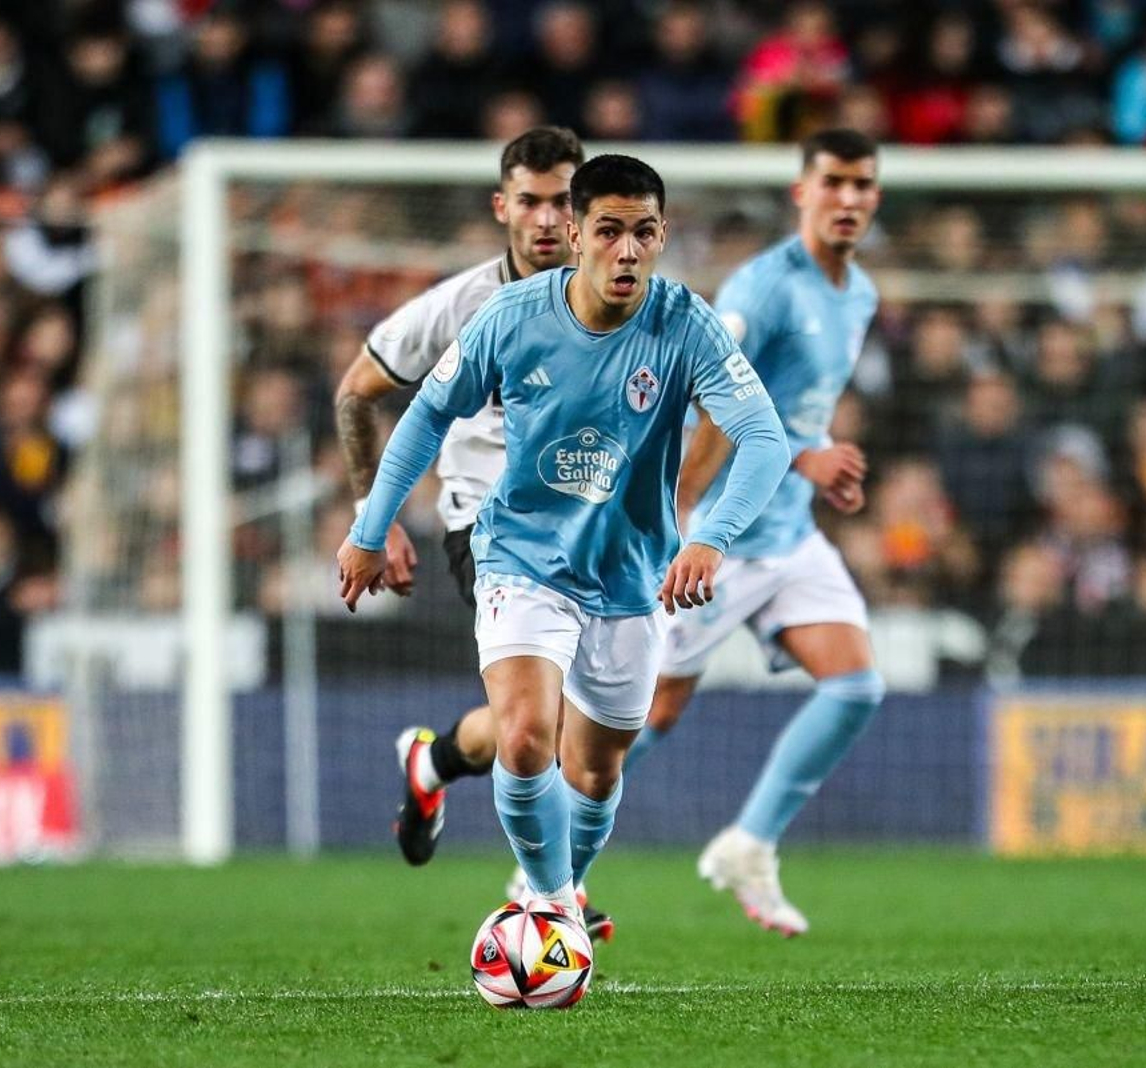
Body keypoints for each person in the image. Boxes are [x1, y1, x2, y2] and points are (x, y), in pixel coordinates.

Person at [337, 153, 790, 929]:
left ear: (661, 235)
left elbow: (766, 438)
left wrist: (711, 536)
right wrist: (368, 528)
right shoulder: (509, 317)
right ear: (577, 234)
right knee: (523, 738)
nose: (626, 251)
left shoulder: (685, 322)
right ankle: (549, 908)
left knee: (595, 768)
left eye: (643, 233)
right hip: (519, 555)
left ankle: (537, 863)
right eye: (608, 231)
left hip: (630, 573)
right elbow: (423, 417)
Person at [620, 128, 886, 937]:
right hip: (718, 535)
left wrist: (810, 464)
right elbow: (710, 395)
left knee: (854, 685)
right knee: (648, 715)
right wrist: (685, 516)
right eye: (833, 181)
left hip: (790, 537)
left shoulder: (859, 294)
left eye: (863, 185)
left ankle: (750, 843)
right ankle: (540, 855)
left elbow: (795, 406)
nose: (849, 198)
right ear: (801, 192)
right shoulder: (764, 288)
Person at [327, 127, 589, 885]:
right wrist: (372, 515)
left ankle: (432, 760)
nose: (546, 219)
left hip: (594, 533)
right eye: (531, 201)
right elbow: (356, 391)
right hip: (490, 530)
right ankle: (551, 894)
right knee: (554, 721)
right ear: (502, 205)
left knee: (545, 726)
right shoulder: (459, 306)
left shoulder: (616, 301)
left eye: (562, 202)